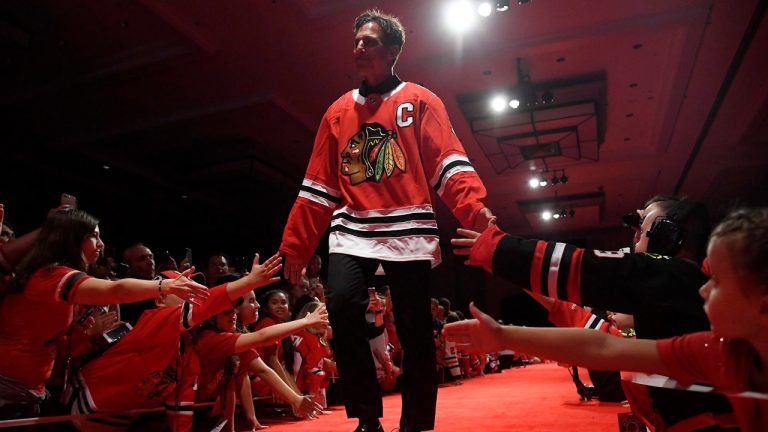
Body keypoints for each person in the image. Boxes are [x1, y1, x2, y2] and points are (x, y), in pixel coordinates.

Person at [279, 9, 495, 432]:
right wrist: (296, 245)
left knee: (415, 329)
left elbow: (448, 165)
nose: (359, 47)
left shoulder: (421, 100)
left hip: (408, 230)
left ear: (393, 50)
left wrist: (476, 211)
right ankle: (366, 419)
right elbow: (318, 186)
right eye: (357, 40)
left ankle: (414, 422)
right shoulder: (337, 112)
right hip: (353, 228)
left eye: (370, 41)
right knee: (341, 308)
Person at [445, 207, 768, 431]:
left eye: (718, 280)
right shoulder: (719, 352)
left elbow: (589, 272)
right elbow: (603, 347)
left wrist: (498, 250)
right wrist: (502, 335)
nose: (704, 290)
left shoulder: (674, 274)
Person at [0, 209, 209, 416]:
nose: (101, 244)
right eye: (94, 236)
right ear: (72, 238)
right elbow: (116, 291)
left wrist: (88, 337)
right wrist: (165, 285)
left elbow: (55, 342)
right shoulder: (53, 276)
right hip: (10, 389)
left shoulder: (52, 275)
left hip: (29, 389)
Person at [70, 253, 283, 432]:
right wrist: (248, 282)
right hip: (77, 410)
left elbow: (181, 413)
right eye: (182, 290)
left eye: (192, 289)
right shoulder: (152, 320)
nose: (192, 296)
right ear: (160, 299)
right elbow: (205, 308)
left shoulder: (188, 352)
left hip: (118, 422)